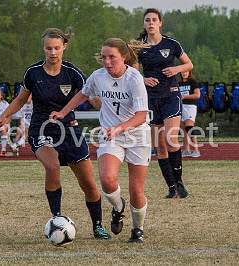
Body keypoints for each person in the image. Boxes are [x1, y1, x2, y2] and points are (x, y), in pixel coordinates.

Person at [0, 28, 110, 239]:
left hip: (70, 130)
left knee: (89, 185)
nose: (53, 52)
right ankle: (57, 217)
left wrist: (107, 103)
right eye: (49, 48)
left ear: (64, 47)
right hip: (41, 128)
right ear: (44, 49)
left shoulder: (73, 72)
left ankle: (98, 226)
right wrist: (5, 115)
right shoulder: (33, 73)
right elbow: (21, 99)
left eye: (57, 48)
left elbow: (91, 97)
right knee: (52, 165)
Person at [51, 38, 151, 243]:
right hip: (110, 135)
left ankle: (137, 229)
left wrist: (121, 127)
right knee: (107, 180)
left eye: (111, 57)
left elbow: (141, 115)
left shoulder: (134, 79)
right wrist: (63, 112)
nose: (106, 61)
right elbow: (83, 94)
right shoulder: (98, 76)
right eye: (104, 57)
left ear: (123, 57)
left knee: (136, 189)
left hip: (137, 135)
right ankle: (118, 208)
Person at [136, 8, 193, 198]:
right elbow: (133, 73)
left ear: (160, 23)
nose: (151, 23)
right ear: (144, 24)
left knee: (171, 139)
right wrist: (143, 80)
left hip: (171, 95)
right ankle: (171, 188)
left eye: (154, 20)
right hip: (150, 99)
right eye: (147, 20)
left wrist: (176, 69)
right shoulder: (138, 46)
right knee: (159, 146)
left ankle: (179, 182)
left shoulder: (171, 43)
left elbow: (189, 64)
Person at [178, 71, 200, 158]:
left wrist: (185, 97)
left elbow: (197, 95)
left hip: (190, 107)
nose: (184, 73)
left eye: (186, 71)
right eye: (183, 72)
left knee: (189, 127)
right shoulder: (178, 83)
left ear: (189, 72)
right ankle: (186, 150)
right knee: (183, 130)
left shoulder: (192, 82)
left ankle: (196, 150)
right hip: (181, 106)